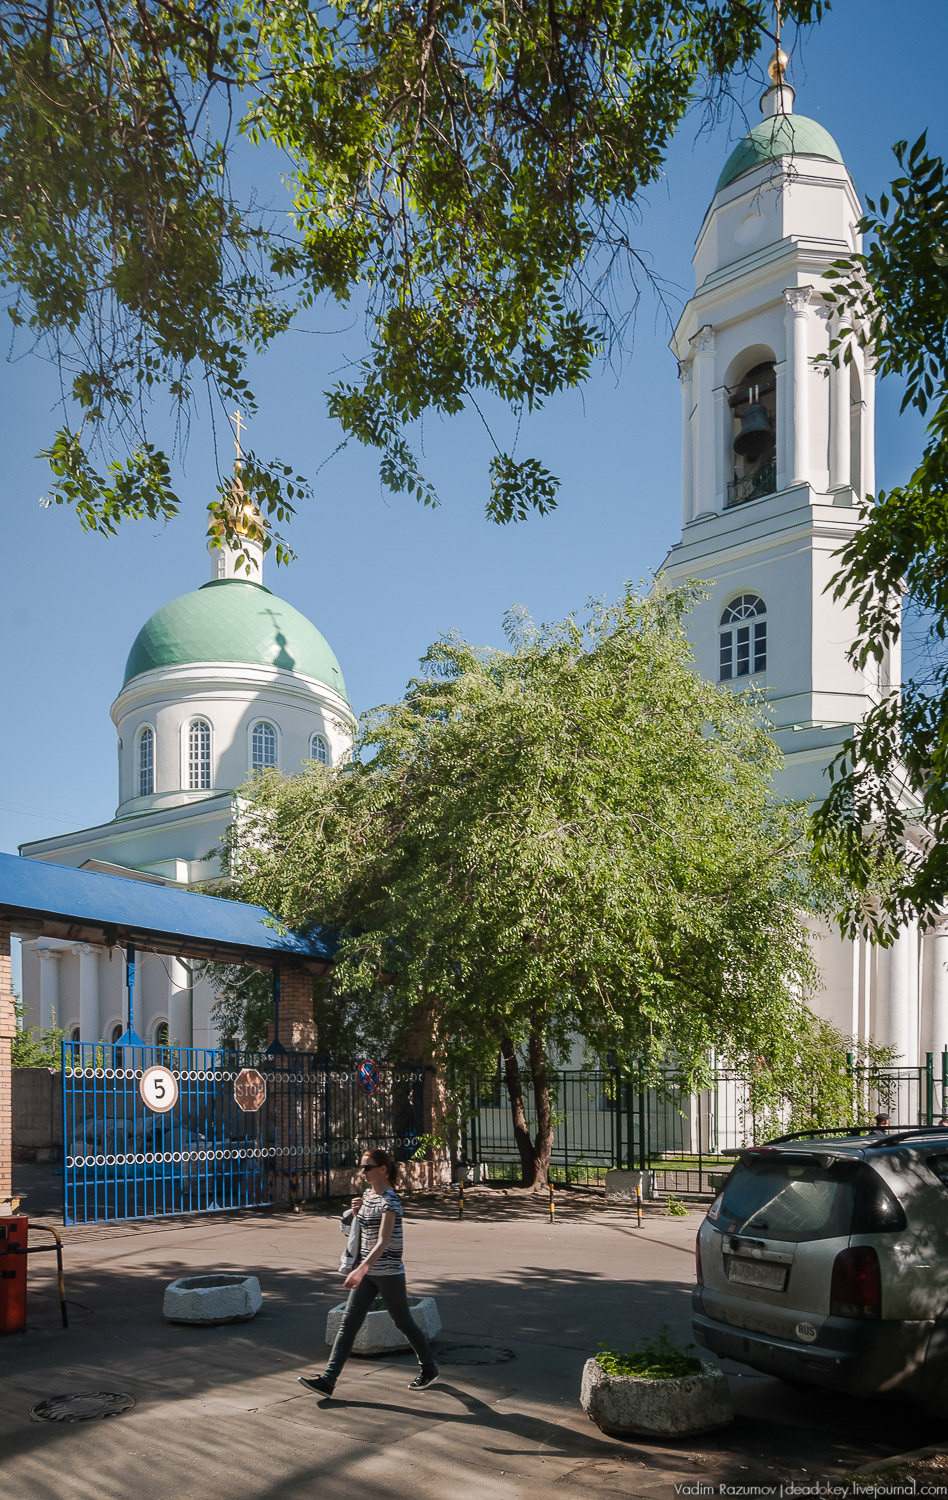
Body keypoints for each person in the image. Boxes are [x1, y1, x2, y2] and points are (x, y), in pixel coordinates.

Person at [298, 1148, 439, 1398]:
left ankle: (429, 1368)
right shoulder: (367, 1196)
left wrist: (360, 1270)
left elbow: (383, 1241)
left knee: (403, 1321)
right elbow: (361, 1232)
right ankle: (328, 1380)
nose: (362, 1171)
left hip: (388, 1273)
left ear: (383, 1169)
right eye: (361, 1167)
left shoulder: (390, 1200)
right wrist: (356, 1213)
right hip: (367, 1272)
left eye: (367, 1167)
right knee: (348, 1325)